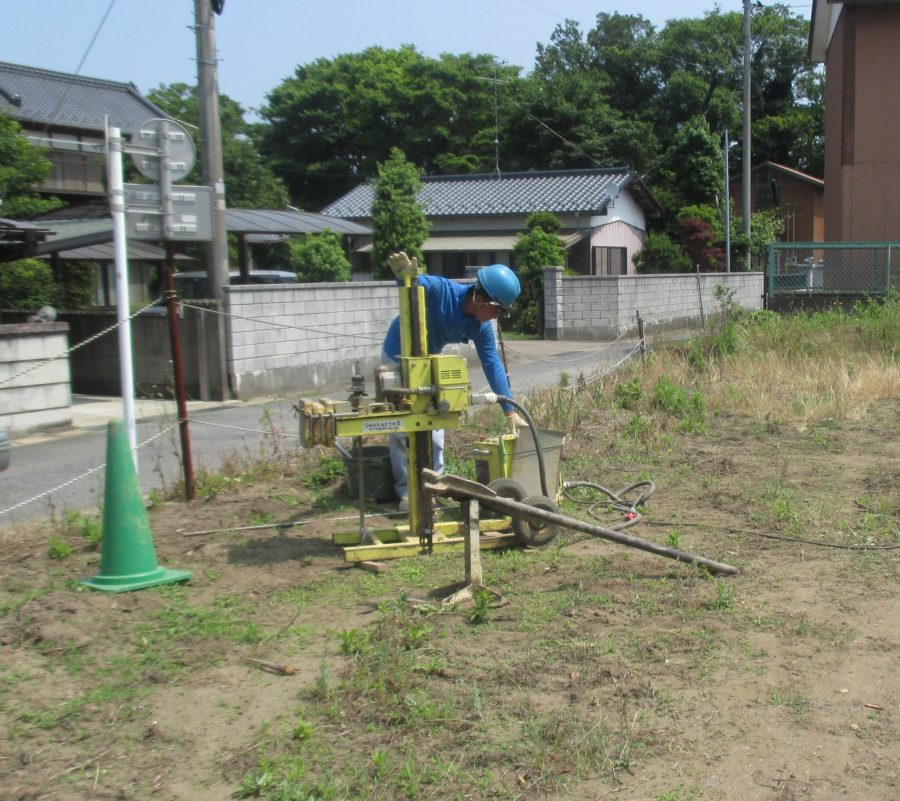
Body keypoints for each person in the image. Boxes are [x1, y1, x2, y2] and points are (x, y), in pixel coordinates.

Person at [381, 252, 529, 510]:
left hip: (428, 361)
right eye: (497, 311)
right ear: (480, 299)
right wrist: (405, 276)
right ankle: (406, 493)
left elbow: (492, 363)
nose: (497, 318)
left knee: (436, 424)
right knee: (402, 427)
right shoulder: (443, 291)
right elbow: (414, 283)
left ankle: (433, 488)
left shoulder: (479, 326)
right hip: (398, 355)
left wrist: (510, 411)